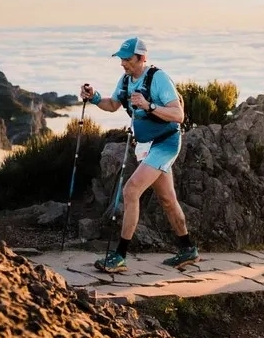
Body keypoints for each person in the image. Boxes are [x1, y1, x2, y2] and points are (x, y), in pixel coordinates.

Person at [79, 37, 197, 273]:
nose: (123, 64)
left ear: (141, 58)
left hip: (165, 142)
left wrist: (148, 105)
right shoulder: (125, 81)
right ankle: (188, 249)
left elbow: (179, 115)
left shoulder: (158, 78)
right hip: (145, 145)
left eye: (127, 59)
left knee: (131, 190)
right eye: (121, 59)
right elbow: (112, 105)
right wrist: (92, 97)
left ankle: (120, 256)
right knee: (167, 200)